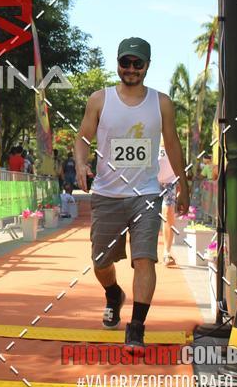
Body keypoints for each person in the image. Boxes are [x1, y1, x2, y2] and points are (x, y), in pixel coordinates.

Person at [75, 37, 189, 353]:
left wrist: (183, 183)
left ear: (147, 66)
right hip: (107, 195)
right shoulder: (100, 100)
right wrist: (81, 162)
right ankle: (113, 293)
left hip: (146, 194)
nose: (131, 69)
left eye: (138, 63)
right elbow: (82, 138)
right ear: (118, 63)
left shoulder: (161, 103)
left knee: (144, 259)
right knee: (101, 262)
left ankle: (136, 327)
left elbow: (173, 143)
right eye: (125, 62)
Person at [158, 145, 178, 266]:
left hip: (170, 181)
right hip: (151, 180)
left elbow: (179, 159)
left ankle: (167, 252)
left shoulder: (172, 137)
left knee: (168, 212)